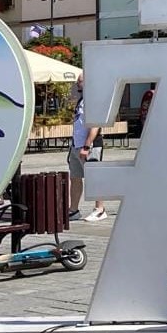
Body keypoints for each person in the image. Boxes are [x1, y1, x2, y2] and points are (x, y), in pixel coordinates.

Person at [69, 75, 107, 223]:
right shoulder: (82, 100)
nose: (77, 84)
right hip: (76, 146)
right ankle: (74, 210)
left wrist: (86, 145)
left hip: (90, 146)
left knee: (94, 177)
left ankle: (100, 209)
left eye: (80, 81)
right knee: (75, 177)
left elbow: (95, 126)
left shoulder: (94, 101)